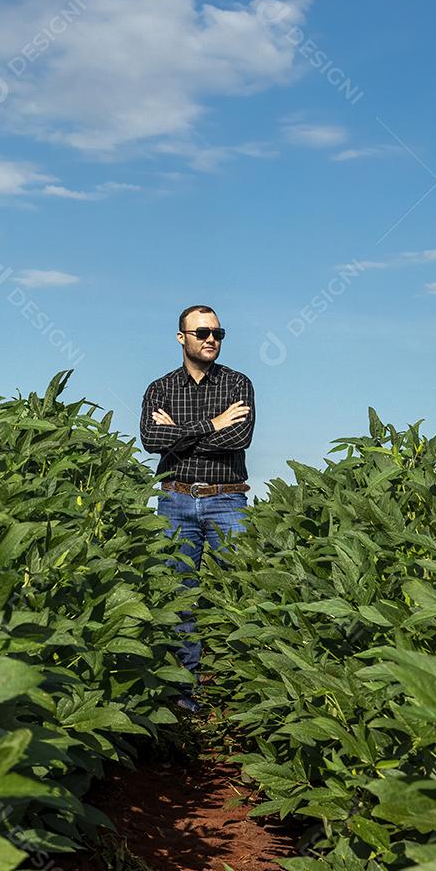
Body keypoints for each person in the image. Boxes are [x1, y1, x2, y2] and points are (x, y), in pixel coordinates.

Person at [139, 304, 256, 713]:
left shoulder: (238, 384)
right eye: (203, 332)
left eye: (218, 333)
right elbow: (152, 439)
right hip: (175, 499)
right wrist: (212, 424)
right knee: (177, 596)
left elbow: (239, 438)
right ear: (181, 338)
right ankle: (182, 697)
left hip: (227, 498)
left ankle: (235, 694)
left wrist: (180, 434)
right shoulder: (160, 388)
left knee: (236, 592)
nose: (212, 339)